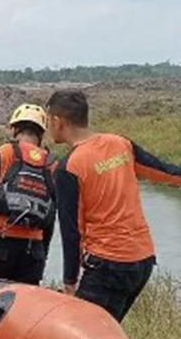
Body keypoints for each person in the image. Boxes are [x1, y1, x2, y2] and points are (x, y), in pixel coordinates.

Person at [48, 90, 181, 322]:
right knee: (108, 329)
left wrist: (70, 282)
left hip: (108, 264)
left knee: (87, 331)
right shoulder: (120, 144)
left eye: (48, 119)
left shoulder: (69, 168)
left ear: (58, 121)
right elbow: (165, 172)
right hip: (142, 259)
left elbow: (72, 233)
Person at [0, 104, 56, 284]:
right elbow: (51, 214)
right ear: (41, 133)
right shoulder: (52, 163)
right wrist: (43, 253)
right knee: (26, 300)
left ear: (15, 129)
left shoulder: (2, 153)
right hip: (33, 251)